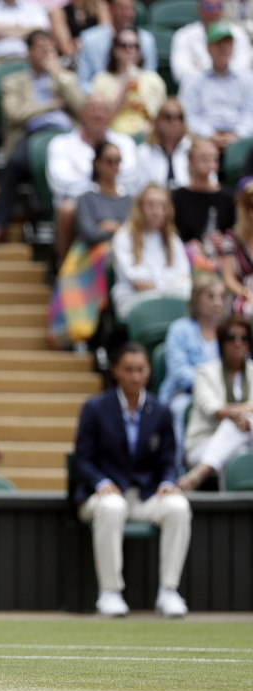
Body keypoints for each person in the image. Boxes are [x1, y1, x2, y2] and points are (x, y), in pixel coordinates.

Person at [73, 341, 191, 618]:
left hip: (144, 496)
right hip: (100, 496)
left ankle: (169, 591)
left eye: (141, 369)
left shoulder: (161, 411)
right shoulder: (94, 408)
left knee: (179, 507)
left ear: (148, 371)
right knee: (112, 506)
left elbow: (169, 460)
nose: (135, 376)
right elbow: (82, 459)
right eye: (128, 370)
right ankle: (110, 592)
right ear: (115, 371)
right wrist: (101, 483)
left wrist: (167, 482)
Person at [0, 29, 83, 248]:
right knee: (14, 163)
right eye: (41, 48)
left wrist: (59, 76)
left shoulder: (65, 78)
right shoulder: (13, 81)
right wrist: (50, 105)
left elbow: (82, 109)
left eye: (50, 48)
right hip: (30, 133)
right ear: (29, 51)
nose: (46, 53)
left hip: (65, 136)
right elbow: (14, 113)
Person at [46, 93, 143, 260]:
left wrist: (84, 174)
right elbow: (60, 183)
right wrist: (100, 183)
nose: (97, 114)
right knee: (67, 209)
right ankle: (65, 269)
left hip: (119, 199)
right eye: (92, 109)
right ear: (81, 113)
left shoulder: (125, 142)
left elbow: (131, 177)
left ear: (110, 114)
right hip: (79, 202)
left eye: (102, 110)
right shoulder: (60, 143)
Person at [180, 315, 253, 490]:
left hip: (247, 438)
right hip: (205, 441)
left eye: (243, 338)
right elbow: (215, 410)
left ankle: (200, 473)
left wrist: (243, 416)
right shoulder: (204, 372)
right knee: (236, 449)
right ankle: (230, 510)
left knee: (242, 427)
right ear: (221, 342)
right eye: (231, 338)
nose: (238, 343)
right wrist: (243, 414)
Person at [159, 273, 225, 466]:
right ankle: (176, 465)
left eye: (221, 296)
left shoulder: (227, 332)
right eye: (210, 296)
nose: (217, 302)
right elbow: (179, 371)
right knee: (180, 408)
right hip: (185, 393)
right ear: (196, 299)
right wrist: (209, 390)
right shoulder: (180, 329)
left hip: (223, 393)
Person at [0, 0, 51, 149]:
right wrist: (22, 30)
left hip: (28, 59)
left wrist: (0, 30)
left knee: (52, 66)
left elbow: (40, 32)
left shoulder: (33, 6)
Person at [110, 184, 192, 318]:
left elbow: (183, 275)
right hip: (135, 298)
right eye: (151, 205)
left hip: (167, 296)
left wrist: (160, 286)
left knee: (186, 292)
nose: (157, 211)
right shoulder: (124, 236)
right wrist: (166, 285)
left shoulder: (172, 239)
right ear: (140, 208)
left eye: (162, 206)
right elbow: (138, 282)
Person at [177, 22, 253, 155]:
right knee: (189, 145)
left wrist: (238, 134)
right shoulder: (194, 80)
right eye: (218, 44)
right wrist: (209, 134)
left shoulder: (247, 79)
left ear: (233, 48)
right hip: (204, 137)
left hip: (240, 138)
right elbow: (188, 115)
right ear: (208, 47)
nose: (223, 48)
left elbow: (250, 114)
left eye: (227, 44)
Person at [89, 26, 166, 137]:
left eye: (135, 46)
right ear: (115, 50)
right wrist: (123, 92)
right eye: (124, 46)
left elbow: (161, 117)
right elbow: (99, 121)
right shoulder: (101, 80)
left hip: (147, 137)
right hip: (112, 136)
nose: (130, 50)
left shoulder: (153, 79)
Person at [172, 137, 235, 268]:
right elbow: (170, 232)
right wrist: (187, 246)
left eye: (213, 158)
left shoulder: (228, 197)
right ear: (190, 159)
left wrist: (223, 242)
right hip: (185, 262)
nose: (209, 163)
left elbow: (236, 232)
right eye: (203, 158)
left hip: (221, 261)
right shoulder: (177, 197)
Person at [76, 0, 157, 93]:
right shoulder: (89, 39)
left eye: (131, 8)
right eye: (122, 8)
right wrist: (105, 96)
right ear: (110, 9)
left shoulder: (147, 40)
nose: (128, 13)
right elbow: (83, 82)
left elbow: (150, 76)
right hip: (97, 100)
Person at [171, 0, 251, 83]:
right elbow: (180, 74)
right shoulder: (183, 35)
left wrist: (200, 67)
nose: (214, 11)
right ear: (199, 9)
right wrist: (217, 72)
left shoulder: (238, 34)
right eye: (208, 7)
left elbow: (243, 70)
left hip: (234, 89)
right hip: (198, 90)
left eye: (218, 6)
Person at [75, 140, 132, 246]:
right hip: (95, 259)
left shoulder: (130, 199)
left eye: (118, 161)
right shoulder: (86, 198)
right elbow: (89, 234)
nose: (114, 165)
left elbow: (136, 234)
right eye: (109, 161)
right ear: (96, 163)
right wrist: (123, 230)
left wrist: (114, 228)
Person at [136, 98, 193, 191]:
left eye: (179, 117)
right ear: (158, 121)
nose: (174, 122)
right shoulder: (144, 152)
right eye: (168, 117)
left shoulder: (193, 150)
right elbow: (137, 188)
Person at [220, 178, 253, 314]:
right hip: (242, 296)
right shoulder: (231, 238)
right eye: (251, 206)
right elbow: (229, 280)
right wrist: (247, 294)